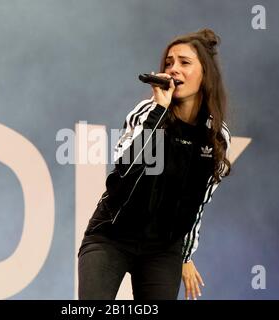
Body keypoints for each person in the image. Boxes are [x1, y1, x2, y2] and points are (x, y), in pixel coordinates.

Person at [77, 28, 231, 300]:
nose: (173, 70)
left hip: (162, 249)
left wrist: (185, 256)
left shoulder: (216, 135)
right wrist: (159, 113)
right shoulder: (147, 112)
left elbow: (198, 203)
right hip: (112, 236)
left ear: (205, 74)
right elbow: (124, 170)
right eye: (168, 63)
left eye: (184, 63)